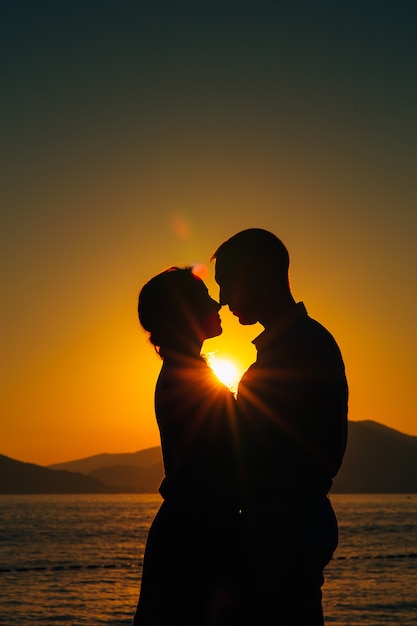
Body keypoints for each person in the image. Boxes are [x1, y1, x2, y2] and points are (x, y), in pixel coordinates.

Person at [212, 228, 348, 625]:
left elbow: (278, 453)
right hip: (285, 527)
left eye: (227, 284)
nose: (222, 300)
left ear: (259, 276)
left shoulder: (300, 350)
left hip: (283, 532)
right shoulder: (298, 345)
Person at [133, 266, 241, 626]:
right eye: (206, 298)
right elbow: (221, 464)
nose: (218, 303)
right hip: (197, 539)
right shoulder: (189, 380)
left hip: (190, 532)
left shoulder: (184, 373)